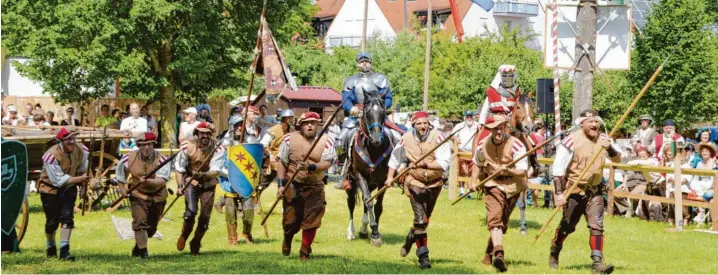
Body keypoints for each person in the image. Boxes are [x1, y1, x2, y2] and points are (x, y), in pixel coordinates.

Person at [548, 109, 620, 274]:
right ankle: (554, 250)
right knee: (567, 227)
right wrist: (559, 194)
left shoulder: (604, 139)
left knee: (597, 227)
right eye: (591, 122)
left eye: (596, 122)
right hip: (574, 190)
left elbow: (617, 159)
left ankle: (597, 263)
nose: (594, 125)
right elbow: (558, 169)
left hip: (594, 191)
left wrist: (609, 149)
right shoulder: (571, 141)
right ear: (582, 124)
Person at [385, 111, 451, 269]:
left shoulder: (439, 137)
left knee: (424, 220)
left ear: (429, 123)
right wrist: (389, 178)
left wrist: (424, 164)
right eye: (419, 123)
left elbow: (444, 163)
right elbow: (395, 158)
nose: (422, 126)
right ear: (413, 124)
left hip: (435, 183)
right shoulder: (405, 138)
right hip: (415, 181)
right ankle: (423, 256)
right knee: (420, 219)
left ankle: (411, 237)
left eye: (425, 123)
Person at [469, 115, 528, 272]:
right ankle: (500, 256)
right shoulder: (483, 145)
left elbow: (523, 171)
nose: (499, 131)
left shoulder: (516, 145)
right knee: (495, 220)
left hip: (513, 184)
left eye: (501, 127)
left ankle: (489, 253)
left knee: (503, 223)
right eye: (495, 128)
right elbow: (477, 163)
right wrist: (473, 181)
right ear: (490, 130)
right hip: (492, 183)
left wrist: (508, 170)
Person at [276, 112, 337, 260]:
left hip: (315, 186)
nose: (310, 125)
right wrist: (280, 185)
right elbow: (282, 162)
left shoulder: (326, 140)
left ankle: (304, 251)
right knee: (290, 222)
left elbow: (327, 163)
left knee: (312, 221)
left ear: (318, 125)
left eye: (313, 123)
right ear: (300, 125)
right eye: (306, 123)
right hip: (293, 185)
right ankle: (288, 239)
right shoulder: (289, 139)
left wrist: (310, 167)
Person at [216, 107, 271, 245]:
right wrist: (229, 173)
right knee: (230, 212)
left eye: (241, 125)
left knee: (248, 212)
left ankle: (247, 235)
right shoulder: (224, 143)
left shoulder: (251, 139)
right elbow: (218, 162)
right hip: (229, 180)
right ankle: (232, 238)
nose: (240, 127)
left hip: (246, 181)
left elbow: (257, 157)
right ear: (232, 127)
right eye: (237, 125)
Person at [37, 126, 90, 261]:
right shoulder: (51, 156)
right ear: (61, 140)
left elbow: (83, 169)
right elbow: (58, 181)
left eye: (73, 138)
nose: (72, 142)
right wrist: (80, 179)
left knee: (67, 218)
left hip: (69, 188)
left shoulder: (82, 150)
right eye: (68, 139)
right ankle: (50, 246)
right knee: (52, 222)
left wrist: (84, 186)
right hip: (50, 190)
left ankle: (64, 251)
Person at [114, 132, 170, 259]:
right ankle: (144, 253)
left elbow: (162, 180)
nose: (146, 148)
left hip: (158, 196)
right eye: (143, 145)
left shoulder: (161, 159)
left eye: (149, 145)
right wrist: (122, 189)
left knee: (151, 228)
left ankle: (138, 246)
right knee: (140, 222)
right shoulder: (129, 157)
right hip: (138, 194)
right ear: (138, 145)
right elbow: (119, 173)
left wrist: (149, 181)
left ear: (153, 145)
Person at [174, 122, 223, 255]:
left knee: (204, 218)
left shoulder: (218, 148)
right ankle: (184, 235)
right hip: (191, 182)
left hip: (208, 183)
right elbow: (179, 168)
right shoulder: (186, 146)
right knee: (190, 213)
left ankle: (196, 243)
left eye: (208, 133)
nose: (205, 136)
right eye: (202, 133)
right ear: (197, 134)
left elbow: (215, 170)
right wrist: (180, 186)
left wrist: (203, 175)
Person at [476, 65, 522, 142]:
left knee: (522, 136)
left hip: (510, 121)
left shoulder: (516, 91)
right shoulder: (492, 91)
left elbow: (519, 107)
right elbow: (485, 108)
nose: (508, 79)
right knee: (483, 138)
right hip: (495, 120)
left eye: (510, 76)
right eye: (506, 76)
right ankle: (479, 152)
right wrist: (481, 122)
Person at [614, 146, 660, 218]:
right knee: (616, 193)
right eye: (640, 156)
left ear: (648, 155)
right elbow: (626, 173)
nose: (642, 158)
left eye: (643, 156)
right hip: (629, 183)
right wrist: (624, 183)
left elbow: (651, 177)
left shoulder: (650, 163)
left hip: (642, 183)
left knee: (634, 195)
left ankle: (630, 213)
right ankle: (627, 209)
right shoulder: (633, 162)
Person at [341, 52, 393, 116]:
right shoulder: (350, 81)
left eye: (367, 61)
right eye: (361, 61)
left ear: (371, 63)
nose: (364, 63)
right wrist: (351, 108)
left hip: (378, 114)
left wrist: (383, 107)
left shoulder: (380, 78)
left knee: (393, 126)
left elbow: (388, 97)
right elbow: (346, 99)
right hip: (358, 114)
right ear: (357, 64)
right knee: (347, 125)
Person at [264, 109, 295, 187]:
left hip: (286, 162)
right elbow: (263, 144)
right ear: (284, 119)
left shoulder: (292, 131)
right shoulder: (275, 129)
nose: (291, 120)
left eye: (292, 118)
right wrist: (270, 155)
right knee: (263, 183)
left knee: (286, 184)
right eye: (289, 118)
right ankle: (253, 198)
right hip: (273, 160)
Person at [453, 110, 480, 198]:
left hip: (474, 152)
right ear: (465, 117)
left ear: (473, 117)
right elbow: (452, 135)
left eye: (470, 116)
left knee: (472, 172)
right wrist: (455, 139)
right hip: (462, 151)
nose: (469, 118)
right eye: (467, 116)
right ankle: (461, 190)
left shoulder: (477, 125)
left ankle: (469, 191)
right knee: (463, 171)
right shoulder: (459, 126)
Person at [688, 143, 716, 223]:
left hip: (711, 185)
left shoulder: (714, 163)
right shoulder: (700, 163)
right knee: (693, 184)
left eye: (706, 151)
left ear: (710, 152)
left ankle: (702, 214)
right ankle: (701, 213)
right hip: (701, 186)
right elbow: (696, 177)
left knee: (708, 195)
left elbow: (714, 179)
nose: (704, 153)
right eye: (703, 151)